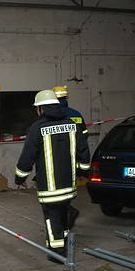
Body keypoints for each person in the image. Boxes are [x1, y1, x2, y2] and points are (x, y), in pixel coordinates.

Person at [14, 89, 90, 261]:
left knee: (52, 217)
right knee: (62, 213)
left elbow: (27, 158)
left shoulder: (37, 128)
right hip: (69, 186)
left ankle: (57, 253)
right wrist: (83, 172)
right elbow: (84, 152)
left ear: (42, 109)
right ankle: (62, 239)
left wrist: (20, 178)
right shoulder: (72, 124)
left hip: (50, 188)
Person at [53, 85, 91, 229]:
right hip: (73, 158)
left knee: (56, 189)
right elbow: (84, 136)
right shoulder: (76, 114)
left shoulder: (54, 116)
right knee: (68, 187)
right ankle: (67, 211)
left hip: (57, 157)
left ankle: (66, 214)